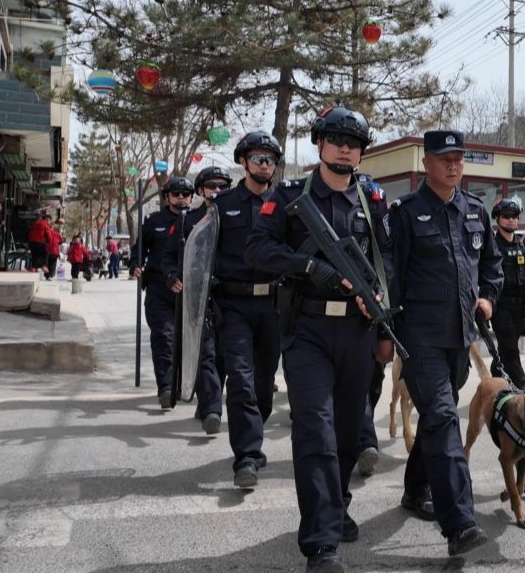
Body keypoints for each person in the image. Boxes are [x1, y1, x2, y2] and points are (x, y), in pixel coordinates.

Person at [246, 107, 393, 573]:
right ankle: (321, 543)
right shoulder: (289, 195)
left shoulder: (372, 200)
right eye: (336, 138)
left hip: (358, 329)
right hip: (307, 329)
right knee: (315, 430)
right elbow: (257, 249)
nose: (345, 147)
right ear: (320, 144)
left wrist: (386, 322)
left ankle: (338, 503)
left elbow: (387, 262)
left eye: (354, 141)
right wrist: (309, 267)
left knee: (350, 429)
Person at [388, 129, 503, 558]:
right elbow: (391, 276)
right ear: (427, 164)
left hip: (460, 337)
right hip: (419, 338)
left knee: (437, 421)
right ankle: (460, 522)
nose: (453, 164)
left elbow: (490, 263)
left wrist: (488, 296)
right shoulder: (405, 213)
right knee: (441, 417)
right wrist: (387, 337)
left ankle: (416, 490)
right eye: (444, 158)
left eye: (458, 157)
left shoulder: (475, 211)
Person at [203, 132, 282, 489]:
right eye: (258, 158)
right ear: (243, 161)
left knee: (264, 385)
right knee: (241, 379)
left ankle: (254, 432)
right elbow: (202, 256)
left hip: (273, 305)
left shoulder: (285, 204)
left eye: (270, 159)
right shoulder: (221, 206)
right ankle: (246, 457)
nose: (264, 165)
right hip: (233, 305)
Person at [161, 165, 233, 436]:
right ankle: (213, 409)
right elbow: (168, 257)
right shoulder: (187, 220)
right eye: (211, 186)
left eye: (222, 186)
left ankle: (206, 402)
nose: (217, 191)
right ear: (200, 191)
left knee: (223, 358)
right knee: (205, 354)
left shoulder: (234, 217)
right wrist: (171, 276)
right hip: (197, 298)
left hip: (229, 297)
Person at [129, 176, 193, 409]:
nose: (181, 197)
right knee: (164, 337)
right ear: (167, 197)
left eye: (185, 194)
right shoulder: (154, 221)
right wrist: (135, 264)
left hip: (189, 291)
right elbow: (139, 250)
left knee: (186, 342)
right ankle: (166, 388)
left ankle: (182, 384)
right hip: (158, 289)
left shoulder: (197, 221)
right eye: (176, 193)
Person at [487, 198, 525, 391]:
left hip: (520, 307)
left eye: (514, 216)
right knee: (511, 350)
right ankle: (523, 391)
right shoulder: (492, 245)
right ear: (497, 219)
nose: (511, 220)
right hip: (500, 307)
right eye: (506, 216)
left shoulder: (523, 243)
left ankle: (496, 384)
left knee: (506, 350)